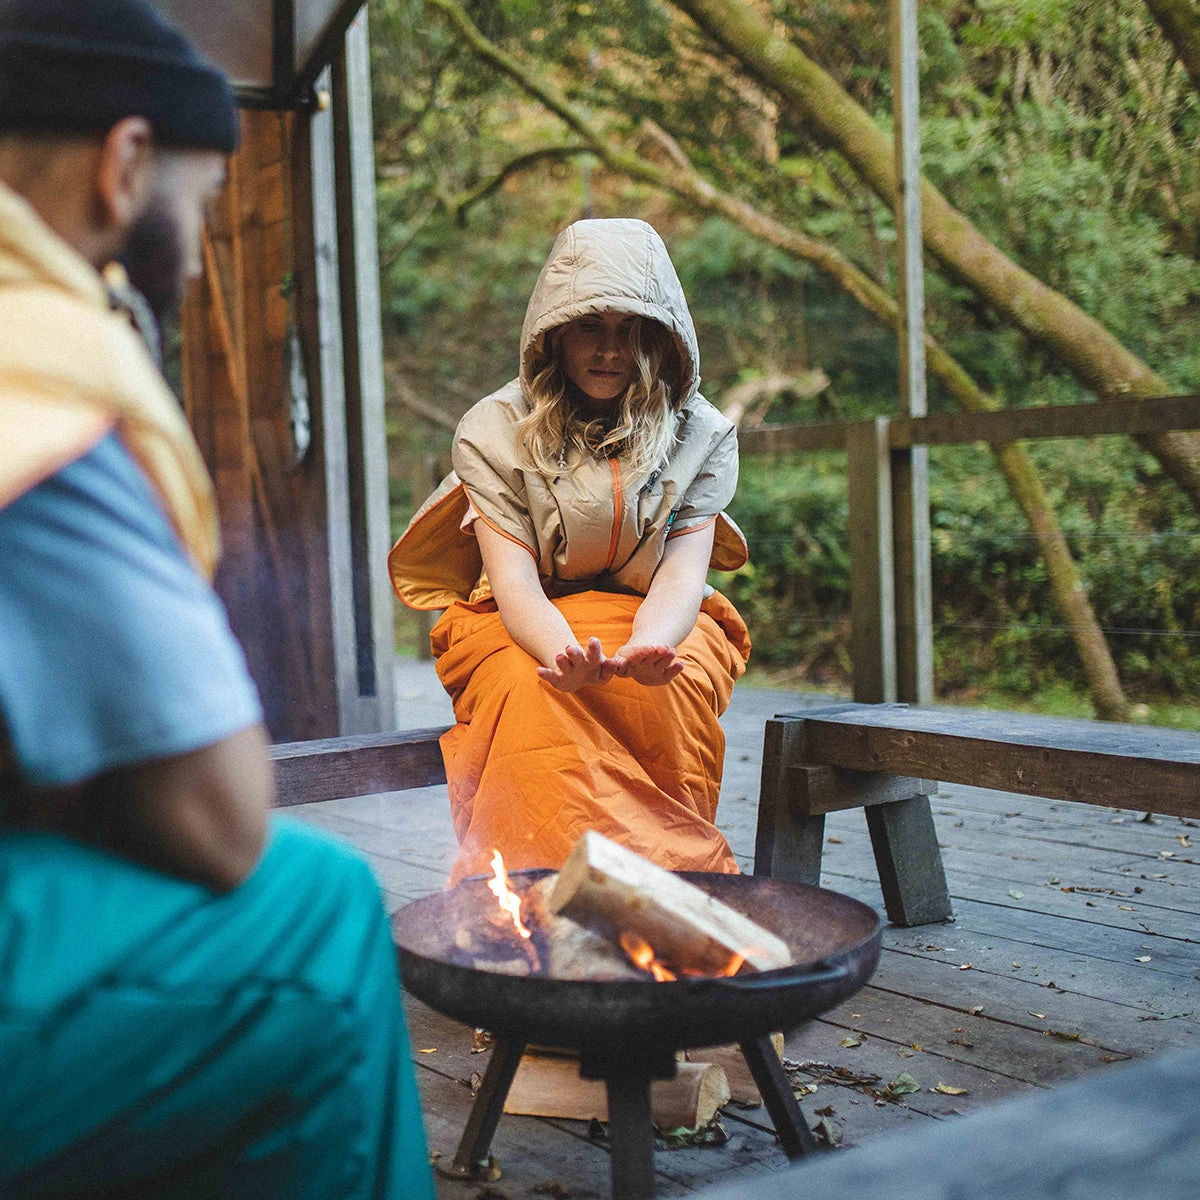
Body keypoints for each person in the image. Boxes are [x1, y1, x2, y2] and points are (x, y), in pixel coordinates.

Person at [0, 2, 433, 1196]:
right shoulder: (42, 382)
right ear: (123, 162)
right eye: (194, 208)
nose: (192, 255)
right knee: (314, 903)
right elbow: (222, 816)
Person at [389, 218, 752, 886]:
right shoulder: (492, 430)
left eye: (631, 329)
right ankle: (530, 895)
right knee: (532, 696)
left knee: (672, 687)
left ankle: (668, 889)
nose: (610, 350)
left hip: (654, 614)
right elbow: (515, 584)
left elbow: (682, 572)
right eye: (591, 326)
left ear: (662, 337)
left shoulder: (704, 434)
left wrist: (652, 646)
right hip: (521, 619)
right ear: (553, 332)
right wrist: (563, 655)